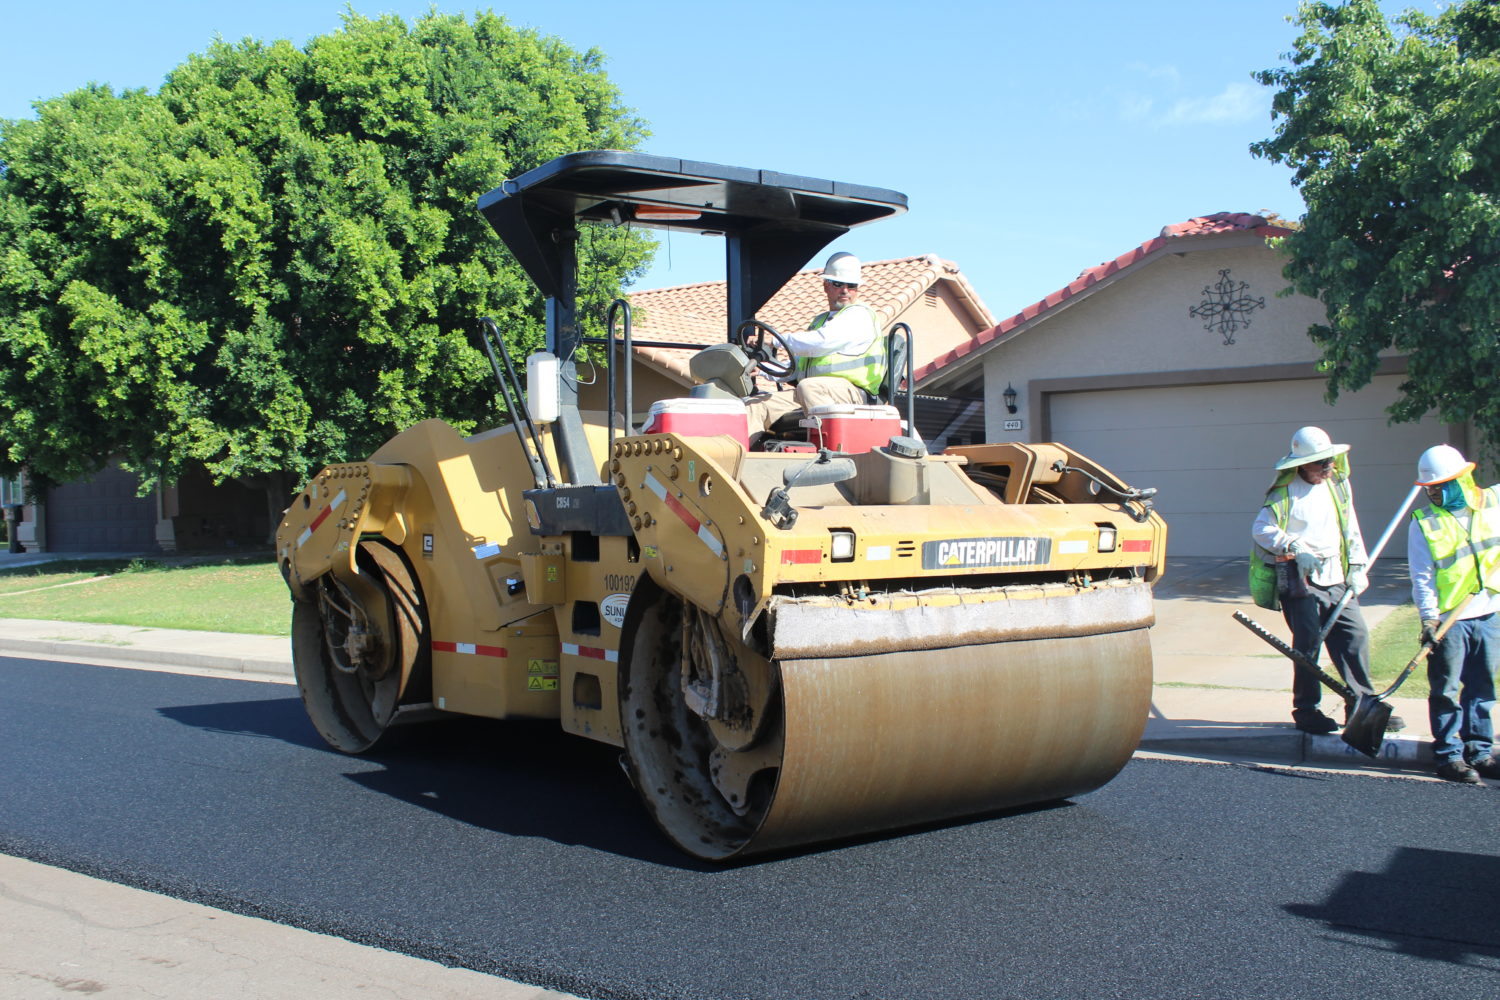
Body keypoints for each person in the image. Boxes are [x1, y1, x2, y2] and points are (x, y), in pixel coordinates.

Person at [1251, 427, 1399, 734]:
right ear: (1302, 465)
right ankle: (1307, 711)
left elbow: (1351, 527)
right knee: (1308, 646)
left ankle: (1362, 706)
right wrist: (1294, 547)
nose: (1327, 467)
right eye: (1321, 463)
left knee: (1354, 638)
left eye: (1329, 460)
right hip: (1300, 580)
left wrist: (1357, 565)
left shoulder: (1339, 487)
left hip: (1337, 577)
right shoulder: (1284, 493)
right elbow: (1261, 529)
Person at [1406, 444, 1500, 783]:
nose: (1432, 493)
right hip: (1450, 621)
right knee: (1445, 690)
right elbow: (1422, 578)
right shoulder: (1424, 524)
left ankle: (1480, 751)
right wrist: (1429, 618)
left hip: (1489, 612)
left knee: (1482, 687)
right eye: (1429, 488)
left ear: (1462, 480)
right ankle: (1448, 756)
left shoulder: (1492, 503)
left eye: (1439, 486)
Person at [742, 252, 886, 436]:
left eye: (851, 285)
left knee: (809, 387)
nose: (845, 290)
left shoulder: (859, 315)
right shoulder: (821, 321)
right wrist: (762, 369)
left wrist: (775, 341)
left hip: (854, 395)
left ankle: (829, 452)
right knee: (754, 405)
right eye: (838, 284)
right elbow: (800, 368)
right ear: (826, 285)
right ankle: (738, 459)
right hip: (816, 393)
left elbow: (821, 342)